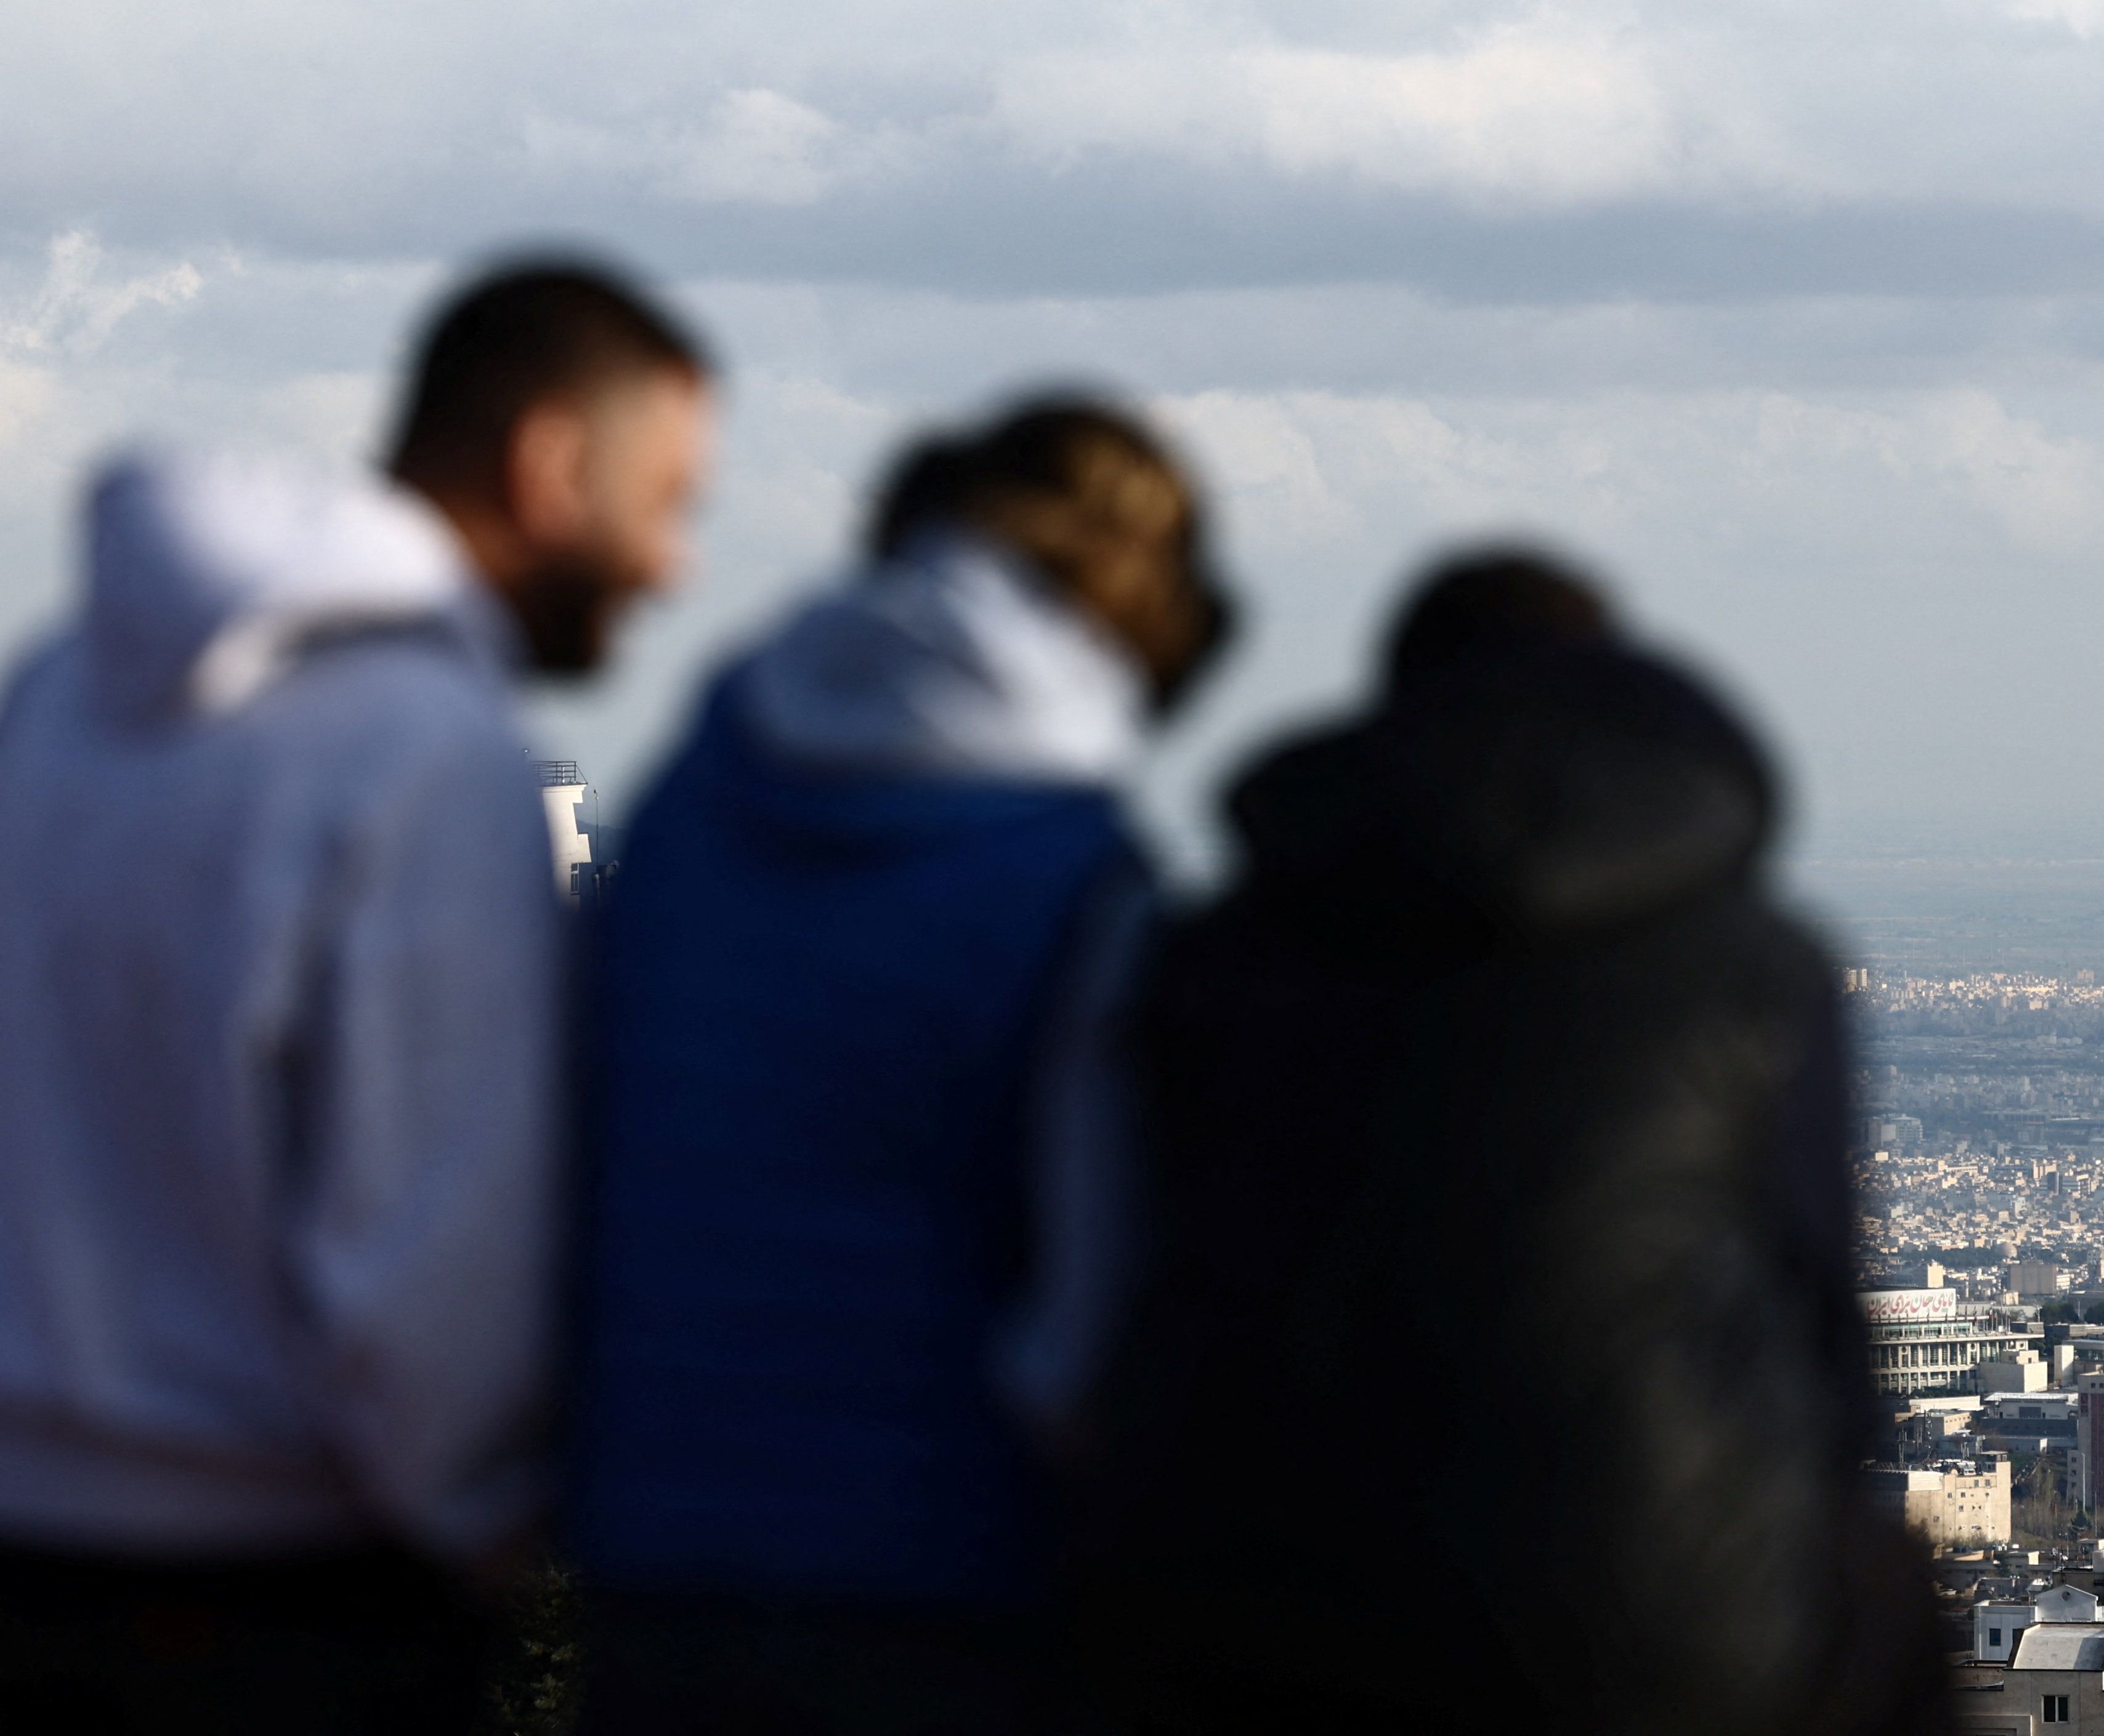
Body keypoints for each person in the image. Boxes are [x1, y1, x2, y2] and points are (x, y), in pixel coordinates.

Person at [0, 262, 715, 1735]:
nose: (674, 565)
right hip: (288, 1592)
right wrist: (500, 1527)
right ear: (550, 461)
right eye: (669, 499)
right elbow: (426, 1260)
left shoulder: (56, 692)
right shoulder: (427, 752)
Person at [1082, 551, 1952, 1736]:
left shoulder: (1226, 948)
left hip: (1279, 1590)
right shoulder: (1755, 968)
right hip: (1661, 1614)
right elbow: (1822, 1330)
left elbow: (1138, 1265)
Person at [565, 397, 1229, 1735]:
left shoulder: (685, 804)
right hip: (939, 1584)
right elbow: (1079, 1330)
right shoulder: (1072, 874)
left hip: (641, 1556)